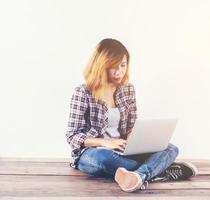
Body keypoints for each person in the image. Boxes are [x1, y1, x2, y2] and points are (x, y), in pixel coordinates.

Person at [66, 38, 198, 192]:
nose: (119, 72)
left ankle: (136, 176)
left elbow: (131, 127)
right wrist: (105, 142)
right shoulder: (82, 92)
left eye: (123, 65)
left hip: (123, 152)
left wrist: (133, 140)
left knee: (170, 148)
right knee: (104, 159)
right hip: (91, 154)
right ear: (100, 67)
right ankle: (159, 170)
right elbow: (72, 136)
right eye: (113, 67)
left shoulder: (128, 89)